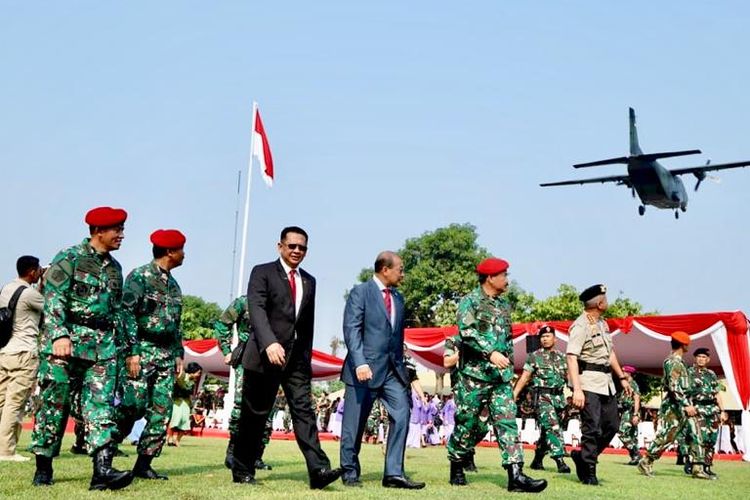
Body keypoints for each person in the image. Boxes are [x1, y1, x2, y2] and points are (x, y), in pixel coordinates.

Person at [29, 207, 134, 490]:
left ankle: (102, 472)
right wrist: (59, 336)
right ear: (99, 231)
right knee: (54, 405)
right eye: (117, 230)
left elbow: (116, 312)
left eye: (122, 229)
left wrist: (127, 349)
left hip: (101, 346)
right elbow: (54, 300)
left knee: (101, 407)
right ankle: (44, 467)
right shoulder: (69, 258)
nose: (122, 235)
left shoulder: (115, 268)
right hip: (66, 343)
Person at [231, 226, 342, 488]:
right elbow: (256, 310)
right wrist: (269, 343)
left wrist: (306, 359)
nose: (296, 251)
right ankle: (242, 469)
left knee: (304, 412)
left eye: (302, 247)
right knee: (254, 416)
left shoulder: (309, 280)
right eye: (292, 246)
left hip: (297, 362)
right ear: (280, 246)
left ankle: (319, 471)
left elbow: (306, 325)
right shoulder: (262, 272)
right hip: (263, 356)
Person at [446, 257, 546, 493]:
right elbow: (467, 333)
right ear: (490, 277)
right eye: (503, 275)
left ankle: (516, 475)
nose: (507, 280)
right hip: (474, 376)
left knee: (507, 423)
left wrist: (509, 368)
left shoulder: (503, 305)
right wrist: (490, 352)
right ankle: (457, 462)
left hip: (500, 378)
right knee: (467, 424)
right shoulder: (469, 302)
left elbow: (507, 341)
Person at [340, 251, 424, 489]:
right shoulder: (360, 292)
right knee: (354, 425)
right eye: (401, 269)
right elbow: (352, 329)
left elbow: (395, 337)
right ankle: (349, 472)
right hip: (363, 370)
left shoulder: (398, 297)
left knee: (402, 414)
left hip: (392, 372)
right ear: (385, 269)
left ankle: (394, 474)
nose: (403, 274)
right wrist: (360, 362)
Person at [115, 229, 187, 481]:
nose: (184, 255)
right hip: (142, 351)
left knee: (161, 411)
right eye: (181, 250)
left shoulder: (174, 285)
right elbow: (126, 315)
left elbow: (176, 324)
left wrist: (179, 353)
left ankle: (143, 464)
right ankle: (107, 441)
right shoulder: (140, 277)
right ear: (170, 252)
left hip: (166, 354)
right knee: (132, 405)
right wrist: (131, 352)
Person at [566, 284, 631, 485]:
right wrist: (577, 389)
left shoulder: (603, 324)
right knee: (592, 428)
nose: (607, 301)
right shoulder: (580, 325)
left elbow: (610, 353)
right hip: (588, 383)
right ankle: (589, 472)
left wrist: (621, 377)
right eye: (605, 298)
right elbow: (571, 357)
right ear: (600, 303)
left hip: (606, 382)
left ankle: (583, 457)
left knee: (612, 425)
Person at [637, 331, 713, 480]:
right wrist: (686, 404)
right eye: (687, 345)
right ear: (684, 345)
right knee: (668, 435)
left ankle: (698, 468)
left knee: (696, 434)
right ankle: (646, 460)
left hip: (685, 404)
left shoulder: (679, 361)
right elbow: (674, 386)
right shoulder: (673, 362)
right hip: (675, 406)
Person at [214, 295, 273, 470]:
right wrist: (226, 350)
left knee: (268, 410)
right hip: (246, 357)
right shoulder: (244, 302)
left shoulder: (280, 301)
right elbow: (222, 323)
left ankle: (256, 456)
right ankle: (233, 453)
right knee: (241, 406)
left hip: (272, 360)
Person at [0, 255, 44, 461]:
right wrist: (47, 281)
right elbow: (51, 306)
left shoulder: (6, 289)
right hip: (24, 352)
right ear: (32, 272)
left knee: (1, 402)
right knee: (15, 404)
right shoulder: (29, 294)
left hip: (5, 351)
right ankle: (6, 451)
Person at [513, 325, 570, 474]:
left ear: (554, 339)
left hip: (558, 398)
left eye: (548, 336)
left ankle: (537, 460)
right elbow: (525, 377)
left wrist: (578, 391)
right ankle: (560, 460)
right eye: (542, 337)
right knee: (552, 426)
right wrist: (514, 394)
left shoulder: (562, 357)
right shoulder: (534, 356)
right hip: (542, 398)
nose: (544, 339)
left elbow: (568, 378)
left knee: (547, 431)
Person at [443, 334, 485, 473]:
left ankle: (462, 449)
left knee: (481, 427)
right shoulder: (453, 341)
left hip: (481, 388)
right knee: (466, 422)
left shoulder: (483, 339)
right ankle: (466, 458)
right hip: (462, 388)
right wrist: (462, 353)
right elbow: (447, 362)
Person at [684, 348, 727, 478]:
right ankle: (693, 463)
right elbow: (684, 392)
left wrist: (723, 411)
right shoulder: (689, 373)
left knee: (711, 440)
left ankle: (707, 466)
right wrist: (688, 406)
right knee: (699, 438)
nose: (701, 359)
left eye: (704, 357)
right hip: (697, 409)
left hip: (712, 410)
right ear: (695, 358)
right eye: (699, 356)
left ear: (708, 359)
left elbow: (716, 393)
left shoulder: (711, 374)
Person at [167, 362, 203, 446]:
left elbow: (189, 393)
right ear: (193, 371)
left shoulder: (193, 382)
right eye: (198, 372)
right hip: (177, 402)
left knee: (185, 422)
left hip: (186, 403)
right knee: (174, 420)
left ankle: (177, 440)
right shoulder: (181, 376)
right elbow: (179, 384)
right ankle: (169, 439)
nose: (199, 374)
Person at [617, 365, 641, 465]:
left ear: (629, 373)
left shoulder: (632, 384)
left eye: (624, 372)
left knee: (622, 433)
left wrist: (635, 414)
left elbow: (637, 399)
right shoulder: (627, 385)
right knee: (631, 435)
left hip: (630, 412)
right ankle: (635, 458)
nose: (622, 374)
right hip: (626, 411)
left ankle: (636, 453)